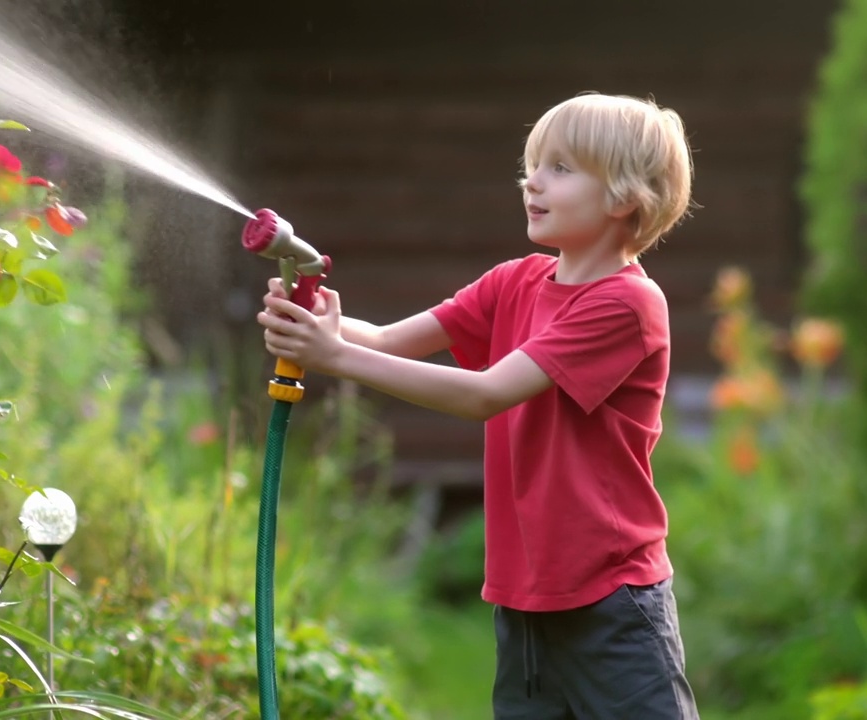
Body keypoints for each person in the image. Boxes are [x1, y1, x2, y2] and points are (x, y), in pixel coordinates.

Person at [256, 92, 700, 719]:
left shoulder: (626, 305)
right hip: (524, 599)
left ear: (626, 197)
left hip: (611, 599)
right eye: (532, 165)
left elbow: (486, 394)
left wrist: (330, 355)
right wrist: (317, 322)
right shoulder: (515, 281)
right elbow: (386, 339)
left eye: (560, 168)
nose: (532, 182)